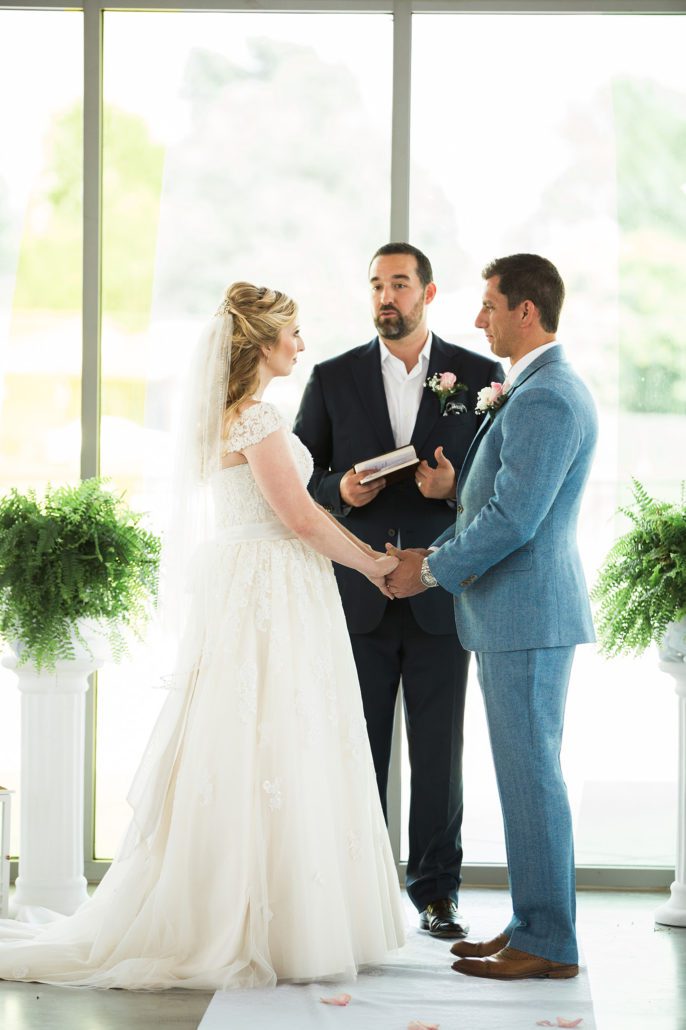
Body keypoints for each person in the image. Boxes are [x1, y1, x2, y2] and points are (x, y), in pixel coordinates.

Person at [0, 282, 405, 990]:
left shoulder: (220, 419)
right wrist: (374, 564)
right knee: (278, 730)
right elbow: (300, 519)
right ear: (263, 344)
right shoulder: (258, 419)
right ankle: (267, 922)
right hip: (271, 586)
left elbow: (297, 513)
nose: (302, 346)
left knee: (249, 734)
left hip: (248, 579)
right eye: (294, 333)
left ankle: (259, 905)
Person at [385, 254, 598, 980]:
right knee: (524, 776)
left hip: (526, 617)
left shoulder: (547, 396)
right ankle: (531, 926)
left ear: (526, 312)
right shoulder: (536, 387)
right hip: (516, 616)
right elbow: (494, 502)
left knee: (532, 777)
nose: (478, 320)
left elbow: (514, 517)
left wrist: (432, 567)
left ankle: (548, 943)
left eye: (489, 306)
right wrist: (450, 508)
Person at [293, 244, 504, 938]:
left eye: (400, 285)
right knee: (355, 749)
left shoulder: (481, 376)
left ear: (428, 293)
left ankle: (436, 894)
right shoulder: (330, 377)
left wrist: (454, 490)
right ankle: (353, 894)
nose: (387, 296)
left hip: (444, 592)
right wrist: (341, 490)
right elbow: (301, 478)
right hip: (356, 596)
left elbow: (501, 484)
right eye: (377, 285)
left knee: (440, 755)